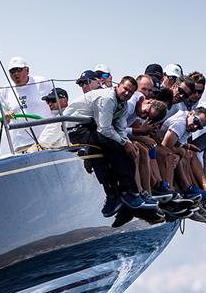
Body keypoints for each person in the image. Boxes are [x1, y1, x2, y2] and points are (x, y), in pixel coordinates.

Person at [63, 76, 159, 215]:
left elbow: (120, 129)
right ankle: (117, 194)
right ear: (118, 86)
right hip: (75, 128)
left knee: (127, 150)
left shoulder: (123, 104)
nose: (127, 93)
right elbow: (104, 129)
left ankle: (131, 193)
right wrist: (124, 143)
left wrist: (128, 143)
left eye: (130, 92)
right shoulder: (108, 98)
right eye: (125, 89)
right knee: (112, 148)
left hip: (91, 126)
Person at [0, 57, 53, 151]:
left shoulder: (42, 82)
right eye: (12, 71)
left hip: (47, 140)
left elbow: (56, 106)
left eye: (19, 70)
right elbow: (3, 120)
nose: (16, 74)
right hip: (21, 144)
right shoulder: (4, 91)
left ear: (27, 70)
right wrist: (6, 117)